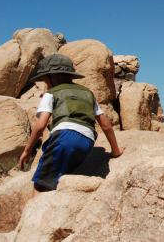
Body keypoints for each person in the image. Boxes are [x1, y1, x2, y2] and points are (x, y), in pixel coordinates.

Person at [18, 54, 124, 193]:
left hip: (64, 137)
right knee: (62, 176)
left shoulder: (51, 93)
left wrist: (27, 150)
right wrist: (115, 151)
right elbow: (106, 125)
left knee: (41, 185)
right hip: (87, 141)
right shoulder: (88, 93)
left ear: (52, 77)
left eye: (44, 80)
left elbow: (40, 125)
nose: (45, 84)